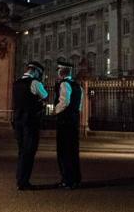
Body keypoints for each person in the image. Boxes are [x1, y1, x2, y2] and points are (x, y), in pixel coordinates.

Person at [12, 61, 48, 191]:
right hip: (30, 121)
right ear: (36, 71)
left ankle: (19, 178)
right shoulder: (35, 83)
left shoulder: (16, 83)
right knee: (29, 151)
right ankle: (23, 181)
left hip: (17, 120)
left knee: (21, 150)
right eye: (39, 73)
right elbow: (45, 95)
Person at [53, 61, 83, 189]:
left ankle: (67, 179)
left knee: (63, 151)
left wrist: (55, 110)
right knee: (73, 151)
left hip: (64, 121)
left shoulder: (64, 84)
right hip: (73, 120)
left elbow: (64, 101)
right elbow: (80, 105)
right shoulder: (78, 85)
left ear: (61, 72)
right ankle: (75, 178)